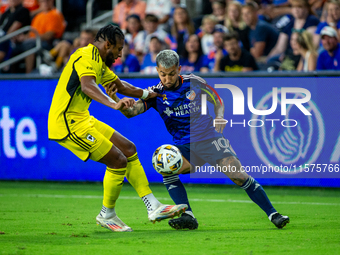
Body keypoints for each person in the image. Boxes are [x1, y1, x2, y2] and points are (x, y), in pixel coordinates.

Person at [106, 49, 290, 230]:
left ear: (178, 69)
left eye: (171, 74)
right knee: (166, 166)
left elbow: (217, 100)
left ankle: (274, 214)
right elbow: (131, 112)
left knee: (239, 176)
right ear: (157, 71)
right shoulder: (155, 93)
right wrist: (116, 99)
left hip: (210, 139)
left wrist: (219, 116)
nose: (167, 79)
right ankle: (189, 216)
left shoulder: (194, 82)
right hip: (185, 147)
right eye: (163, 74)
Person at [47, 24, 187, 232]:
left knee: (128, 148)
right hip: (67, 123)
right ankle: (107, 214)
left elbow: (121, 86)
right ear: (108, 44)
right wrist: (114, 104)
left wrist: (150, 95)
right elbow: (87, 86)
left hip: (82, 118)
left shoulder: (99, 63)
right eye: (119, 49)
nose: (120, 55)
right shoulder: (85, 56)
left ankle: (153, 207)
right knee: (118, 160)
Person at [11, 0, 66, 73]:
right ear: (39, 3)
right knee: (13, 46)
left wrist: (33, 38)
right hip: (35, 41)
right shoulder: (38, 16)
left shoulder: (55, 14)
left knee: (29, 44)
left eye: (47, 1)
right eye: (43, 1)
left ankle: (28, 74)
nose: (45, 3)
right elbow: (31, 32)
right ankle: (9, 72)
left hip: (49, 43)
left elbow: (49, 35)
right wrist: (23, 37)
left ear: (52, 1)